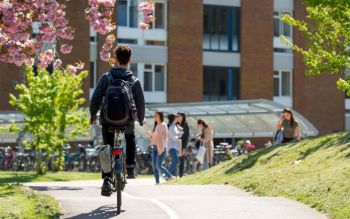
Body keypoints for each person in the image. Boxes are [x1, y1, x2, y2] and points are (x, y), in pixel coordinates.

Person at [89, 45, 145, 196]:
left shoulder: (106, 78)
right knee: (130, 137)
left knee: (107, 145)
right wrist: (140, 119)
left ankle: (107, 178)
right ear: (129, 60)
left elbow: (95, 99)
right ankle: (131, 166)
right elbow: (140, 103)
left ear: (115, 59)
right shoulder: (134, 80)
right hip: (127, 122)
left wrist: (93, 115)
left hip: (107, 120)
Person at [148, 112, 174, 184]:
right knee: (154, 166)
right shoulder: (157, 126)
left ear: (160, 116)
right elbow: (155, 138)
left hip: (161, 148)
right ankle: (157, 182)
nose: (154, 117)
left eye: (156, 115)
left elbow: (163, 138)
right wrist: (151, 135)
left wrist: (161, 148)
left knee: (158, 166)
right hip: (154, 147)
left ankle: (170, 177)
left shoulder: (163, 125)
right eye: (154, 115)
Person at [177, 112, 190, 178]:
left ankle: (181, 176)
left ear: (183, 117)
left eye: (179, 116)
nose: (178, 117)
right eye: (177, 116)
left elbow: (186, 137)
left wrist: (184, 148)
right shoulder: (175, 124)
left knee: (181, 161)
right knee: (175, 160)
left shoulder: (185, 125)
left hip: (182, 145)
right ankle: (173, 175)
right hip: (175, 144)